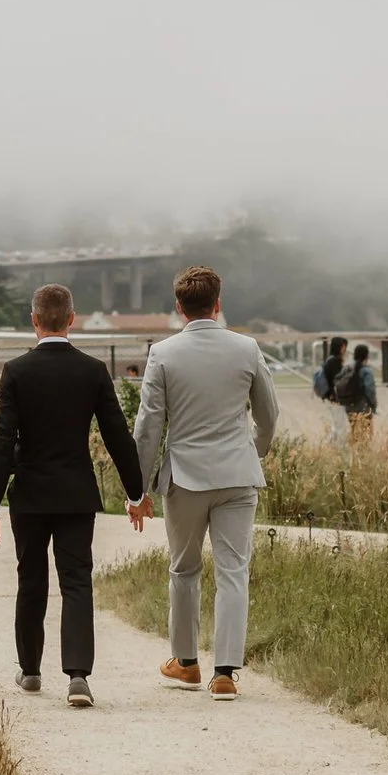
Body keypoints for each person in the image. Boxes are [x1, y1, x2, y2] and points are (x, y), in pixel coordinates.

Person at [0, 283, 146, 708]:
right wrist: (135, 492)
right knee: (76, 583)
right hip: (75, 495)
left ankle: (30, 672)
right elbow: (117, 437)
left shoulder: (16, 371)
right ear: (72, 319)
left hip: (30, 496)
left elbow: (1, 440)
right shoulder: (92, 371)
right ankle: (78, 678)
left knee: (30, 580)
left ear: (34, 321)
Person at [131, 266, 278, 702]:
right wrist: (254, 450)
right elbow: (268, 416)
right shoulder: (247, 349)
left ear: (179, 307)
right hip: (237, 473)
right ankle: (226, 673)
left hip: (186, 478)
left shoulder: (163, 354)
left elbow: (148, 428)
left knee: (184, 568)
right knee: (234, 572)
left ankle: (187, 663)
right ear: (218, 302)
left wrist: (137, 490)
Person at [331, 343, 379, 446]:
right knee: (366, 435)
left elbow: (336, 381)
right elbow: (370, 390)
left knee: (354, 432)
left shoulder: (347, 369)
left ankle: (354, 454)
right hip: (363, 407)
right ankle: (363, 456)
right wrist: (373, 406)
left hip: (348, 406)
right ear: (366, 356)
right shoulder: (366, 371)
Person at [314, 337, 350, 442]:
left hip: (330, 398)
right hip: (335, 399)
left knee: (337, 426)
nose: (344, 349)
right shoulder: (335, 361)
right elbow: (337, 381)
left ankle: (328, 448)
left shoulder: (330, 360)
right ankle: (339, 450)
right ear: (338, 347)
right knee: (341, 427)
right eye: (342, 346)